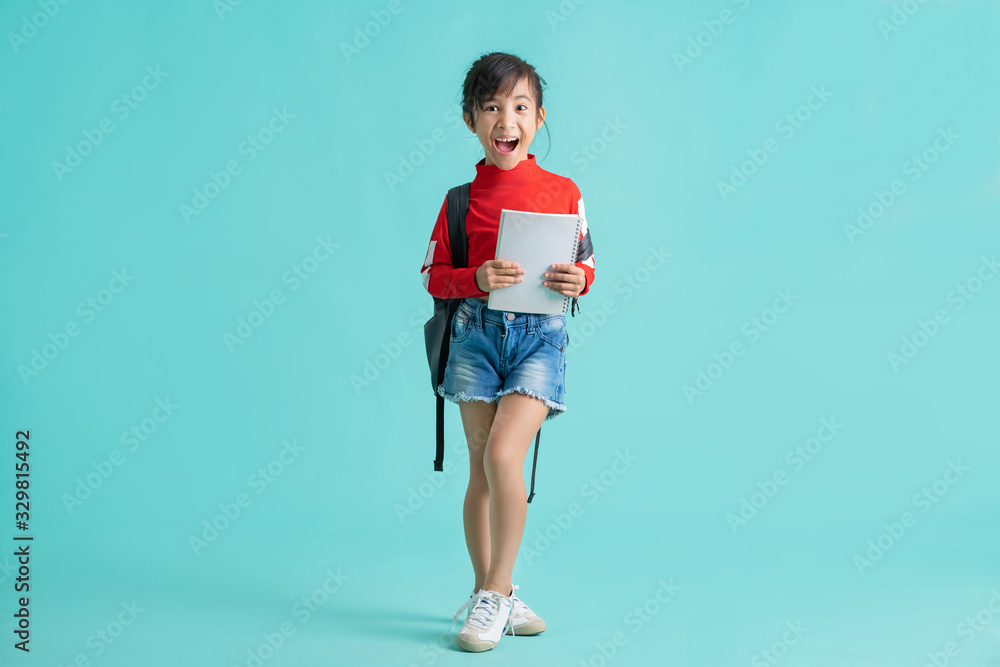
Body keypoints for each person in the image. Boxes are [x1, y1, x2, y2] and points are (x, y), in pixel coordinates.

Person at [419, 51, 596, 653]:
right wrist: (476, 278)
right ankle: (489, 599)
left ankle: (497, 589)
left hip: (539, 340)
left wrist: (579, 280)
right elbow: (433, 276)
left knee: (502, 455)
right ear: (471, 120)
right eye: (491, 107)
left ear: (538, 117)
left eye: (519, 106)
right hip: (474, 336)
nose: (506, 118)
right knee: (481, 475)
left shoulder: (565, 192)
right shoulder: (458, 201)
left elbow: (587, 266)